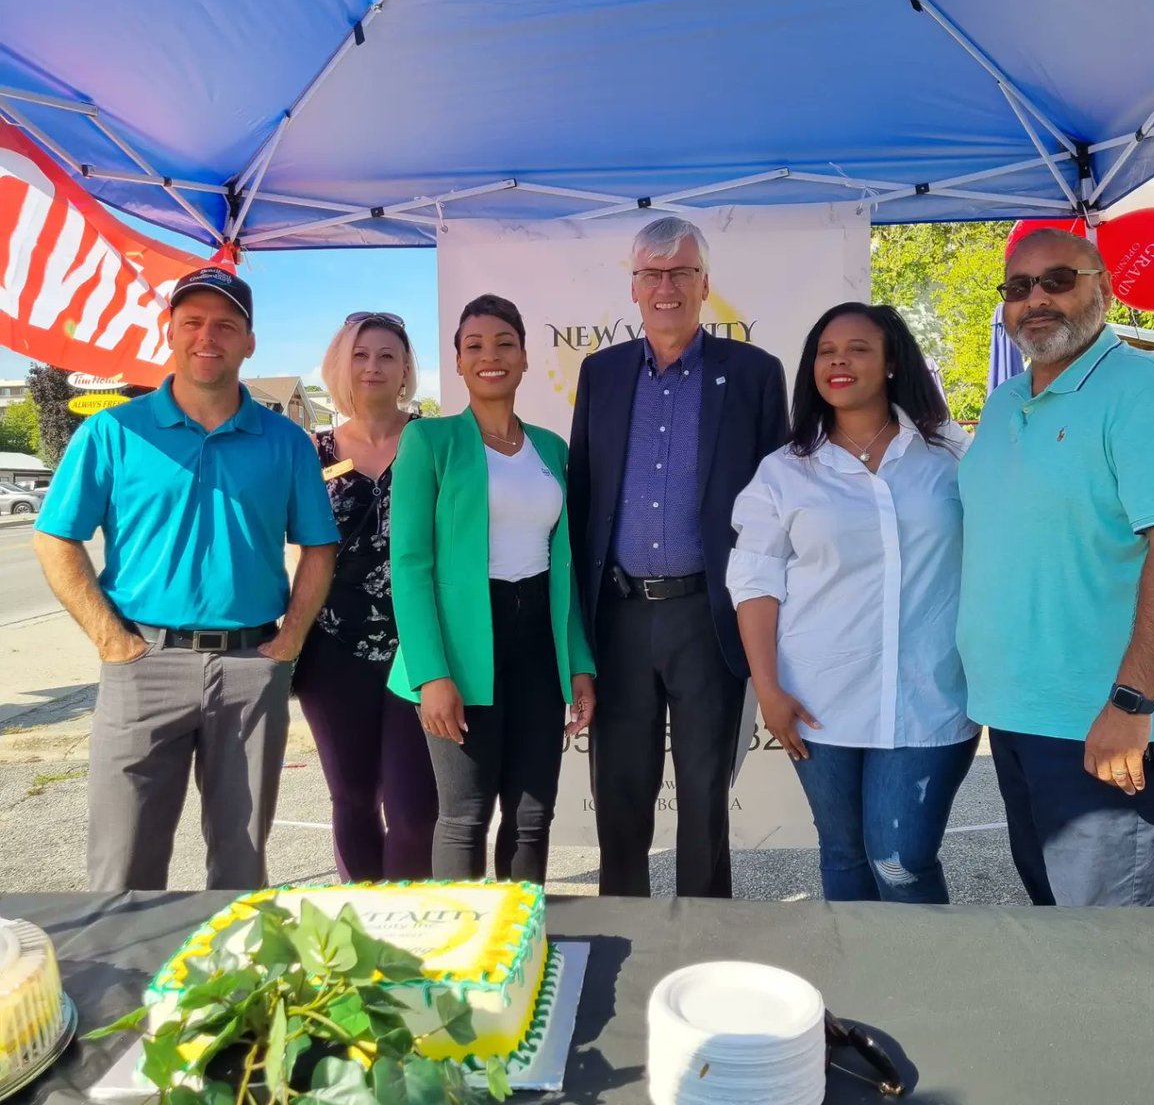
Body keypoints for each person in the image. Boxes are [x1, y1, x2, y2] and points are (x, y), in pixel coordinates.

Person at [32, 266, 339, 891]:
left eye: (226, 325)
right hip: (142, 663)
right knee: (122, 866)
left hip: (253, 665)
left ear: (250, 342)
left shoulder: (286, 442)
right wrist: (112, 641)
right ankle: (120, 989)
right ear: (168, 331)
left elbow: (319, 547)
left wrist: (289, 644)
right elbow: (54, 536)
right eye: (193, 322)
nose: (208, 336)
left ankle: (226, 987)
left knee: (239, 864)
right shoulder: (113, 432)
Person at [958, 229, 1154, 907]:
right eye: (1017, 287)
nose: (1035, 299)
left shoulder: (1147, 390)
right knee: (1059, 933)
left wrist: (1132, 702)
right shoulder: (1007, 402)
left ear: (1104, 287)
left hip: (1108, 722)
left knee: (1115, 954)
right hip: (1019, 715)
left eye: (1058, 280)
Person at [728, 303, 979, 903]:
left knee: (902, 861)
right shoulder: (784, 472)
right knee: (842, 855)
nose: (838, 361)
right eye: (826, 350)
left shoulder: (947, 453)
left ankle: (924, 996)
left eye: (858, 348)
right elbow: (755, 582)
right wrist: (768, 688)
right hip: (819, 699)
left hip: (929, 695)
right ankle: (864, 990)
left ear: (892, 362)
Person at [568, 217, 789, 898]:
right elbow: (582, 499)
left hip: (709, 615)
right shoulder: (600, 374)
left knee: (704, 796)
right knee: (621, 794)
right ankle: (622, 932)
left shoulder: (753, 373)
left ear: (704, 284)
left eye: (681, 274)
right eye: (652, 275)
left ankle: (706, 944)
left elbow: (777, 503)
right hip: (620, 617)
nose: (666, 288)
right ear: (634, 286)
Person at [389, 294, 596, 884]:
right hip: (460, 651)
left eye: (505, 343)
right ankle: (459, 963)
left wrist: (578, 662)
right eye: (474, 346)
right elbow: (409, 564)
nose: (491, 356)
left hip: (536, 646)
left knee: (533, 814)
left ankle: (520, 941)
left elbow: (568, 570)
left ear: (526, 357)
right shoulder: (430, 443)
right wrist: (432, 674)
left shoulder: (551, 450)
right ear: (456, 362)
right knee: (464, 816)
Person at [292, 311, 438, 882]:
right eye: (360, 355)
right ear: (341, 366)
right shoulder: (311, 450)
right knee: (351, 797)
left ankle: (412, 922)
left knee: (413, 809)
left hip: (418, 651)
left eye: (386, 355)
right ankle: (365, 924)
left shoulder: (436, 441)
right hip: (332, 650)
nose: (373, 366)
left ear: (406, 369)